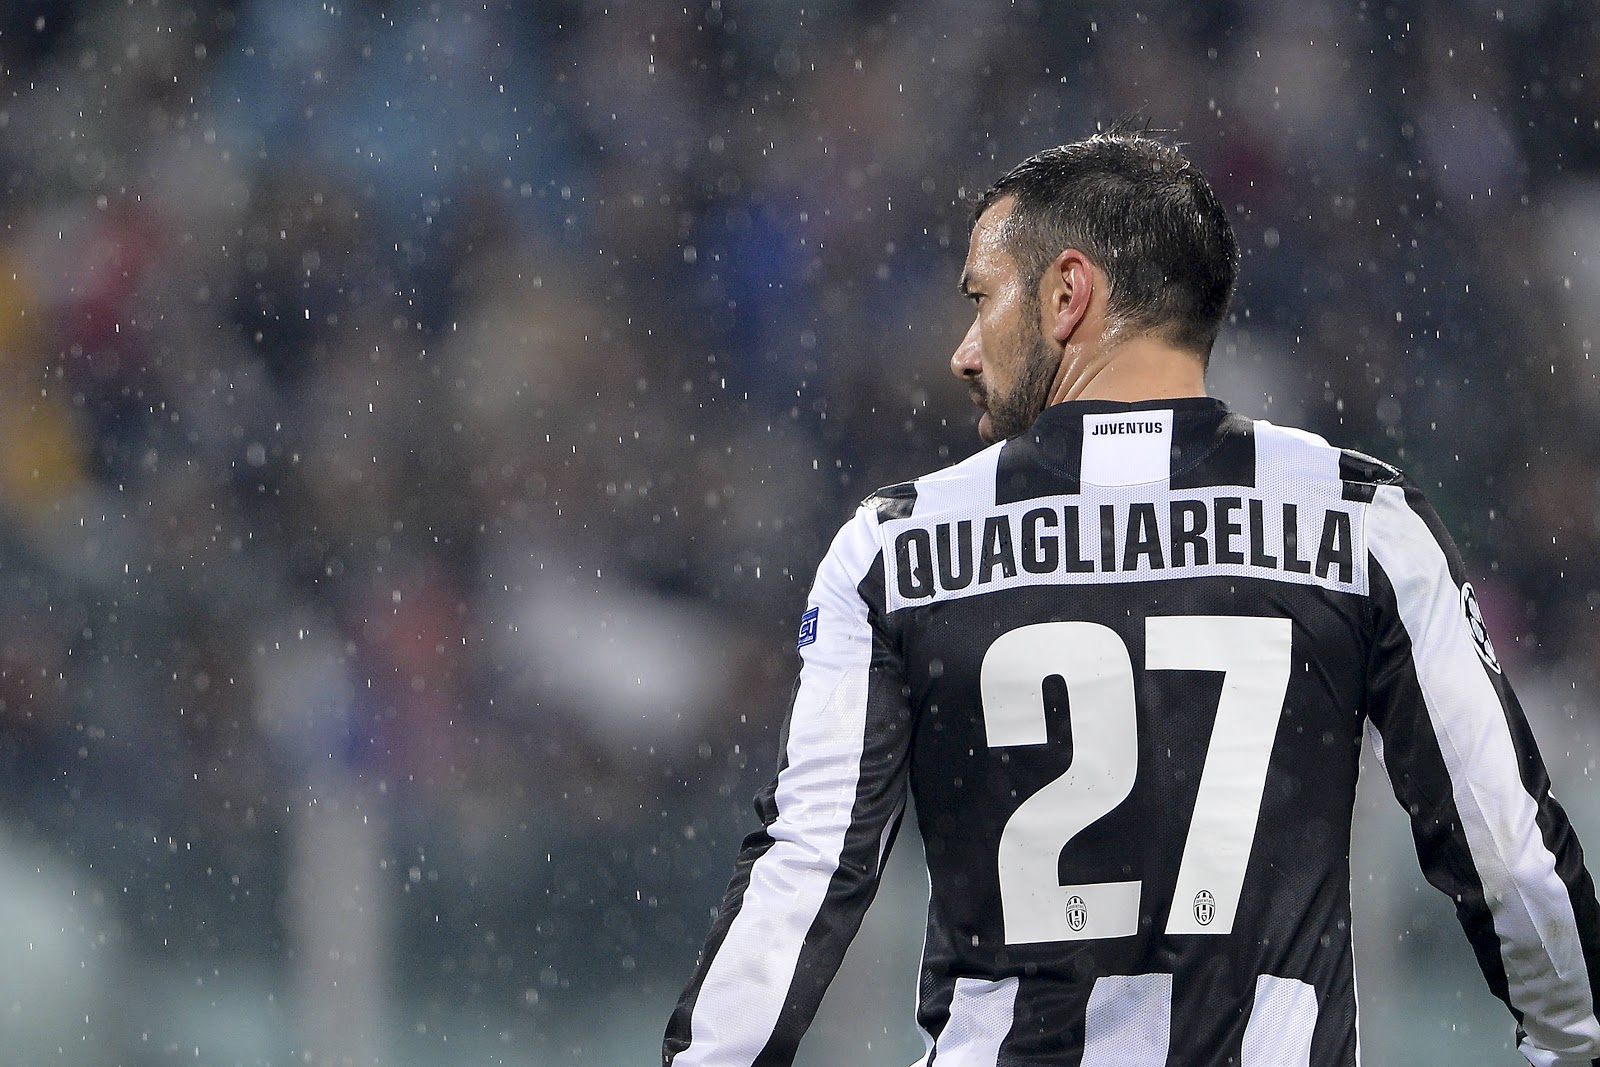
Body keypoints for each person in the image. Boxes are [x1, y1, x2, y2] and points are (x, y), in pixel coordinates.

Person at [662, 128, 1600, 1067]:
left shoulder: (896, 545)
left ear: (1067, 294)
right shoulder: (1361, 521)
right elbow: (1508, 854)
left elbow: (807, 867)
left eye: (982, 299)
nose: (963, 352)